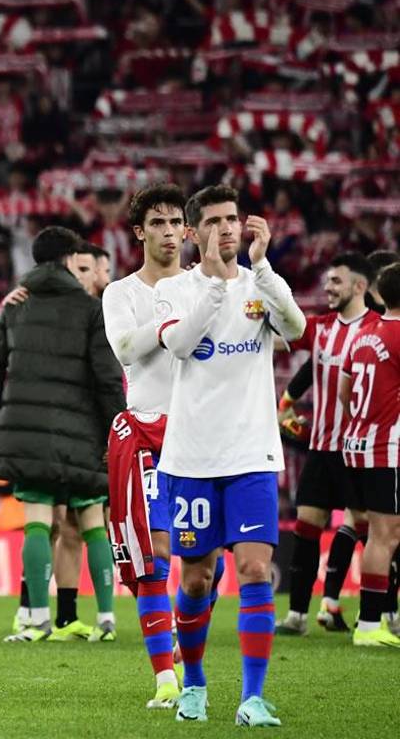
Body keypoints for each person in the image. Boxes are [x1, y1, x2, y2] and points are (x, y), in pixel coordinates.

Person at [154, 185, 305, 726]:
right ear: (193, 233)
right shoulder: (174, 289)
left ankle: (253, 698)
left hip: (252, 454)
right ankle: (194, 683)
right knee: (197, 579)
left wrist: (261, 269)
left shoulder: (260, 283)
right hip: (192, 458)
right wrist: (217, 287)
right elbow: (178, 345)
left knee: (256, 568)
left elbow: (296, 328)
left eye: (233, 219)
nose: (227, 228)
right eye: (214, 221)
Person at [0, 226, 126, 643]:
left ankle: (37, 619)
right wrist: (116, 429)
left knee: (39, 522)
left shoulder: (15, 305)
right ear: (69, 259)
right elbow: (107, 378)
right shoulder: (90, 309)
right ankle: (107, 619)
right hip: (81, 433)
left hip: (27, 435)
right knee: (93, 521)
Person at [102, 183, 211, 708]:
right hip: (146, 431)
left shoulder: (205, 287)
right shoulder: (120, 293)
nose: (168, 233)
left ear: (187, 231)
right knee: (155, 556)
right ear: (140, 232)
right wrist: (170, 322)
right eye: (157, 224)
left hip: (200, 434)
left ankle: (187, 653)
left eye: (175, 223)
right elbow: (125, 347)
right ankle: (165, 678)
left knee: (204, 564)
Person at [275, 253, 378, 636]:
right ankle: (297, 616)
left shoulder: (379, 330)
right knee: (307, 526)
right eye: (327, 280)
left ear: (359, 286)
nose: (328, 288)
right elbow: (281, 343)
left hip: (361, 451)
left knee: (374, 533)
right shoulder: (320, 327)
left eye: (336, 281)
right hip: (321, 448)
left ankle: (381, 614)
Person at [340, 262, 400, 647]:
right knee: (384, 536)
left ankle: (379, 617)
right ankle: (369, 624)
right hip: (386, 450)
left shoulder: (363, 334)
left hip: (356, 445)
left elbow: (344, 392)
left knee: (378, 533)